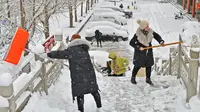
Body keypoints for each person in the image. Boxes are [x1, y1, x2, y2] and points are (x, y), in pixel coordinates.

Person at [47, 34, 102, 112]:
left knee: (80, 93)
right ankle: (99, 107)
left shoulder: (71, 50)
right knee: (94, 90)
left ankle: (81, 110)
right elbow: (80, 60)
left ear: (73, 41)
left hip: (78, 75)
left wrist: (49, 54)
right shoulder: (84, 48)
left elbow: (60, 54)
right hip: (89, 73)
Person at [129, 19, 165, 85]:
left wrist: (161, 41)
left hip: (148, 51)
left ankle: (148, 79)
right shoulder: (137, 34)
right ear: (142, 28)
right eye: (146, 27)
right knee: (137, 66)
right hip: (140, 53)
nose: (148, 27)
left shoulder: (150, 31)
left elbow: (157, 36)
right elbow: (131, 43)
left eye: (148, 26)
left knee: (149, 65)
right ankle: (133, 77)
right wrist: (139, 47)